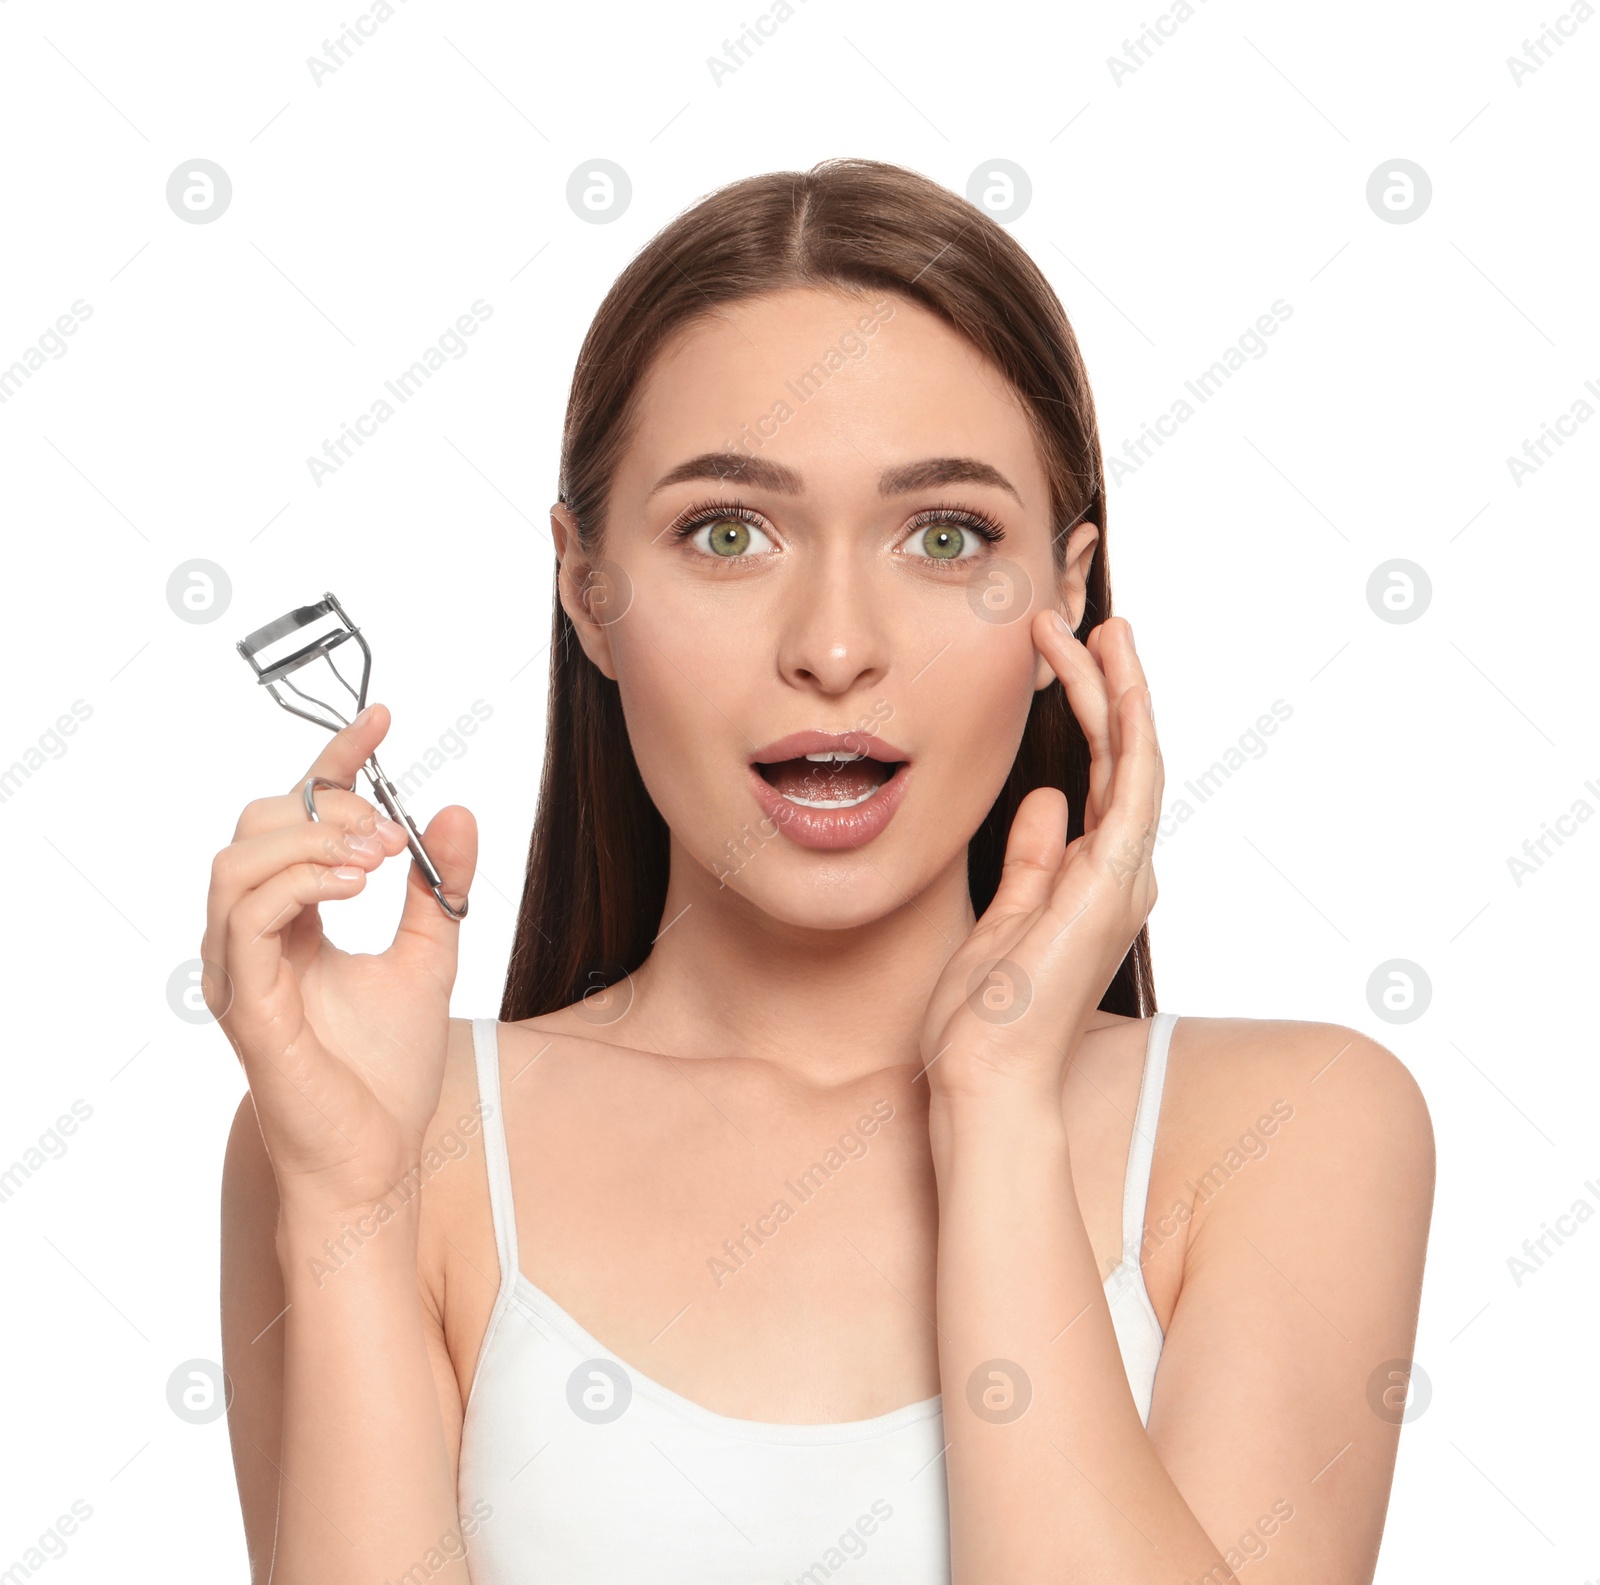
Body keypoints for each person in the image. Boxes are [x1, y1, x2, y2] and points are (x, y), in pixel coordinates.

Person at [213, 157, 1433, 1584]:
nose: (836, 644)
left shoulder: (1292, 1130)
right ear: (586, 587)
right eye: (728, 533)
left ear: (1066, 588)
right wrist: (349, 1198)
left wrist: (995, 1108)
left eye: (944, 535)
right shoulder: (391, 1129)